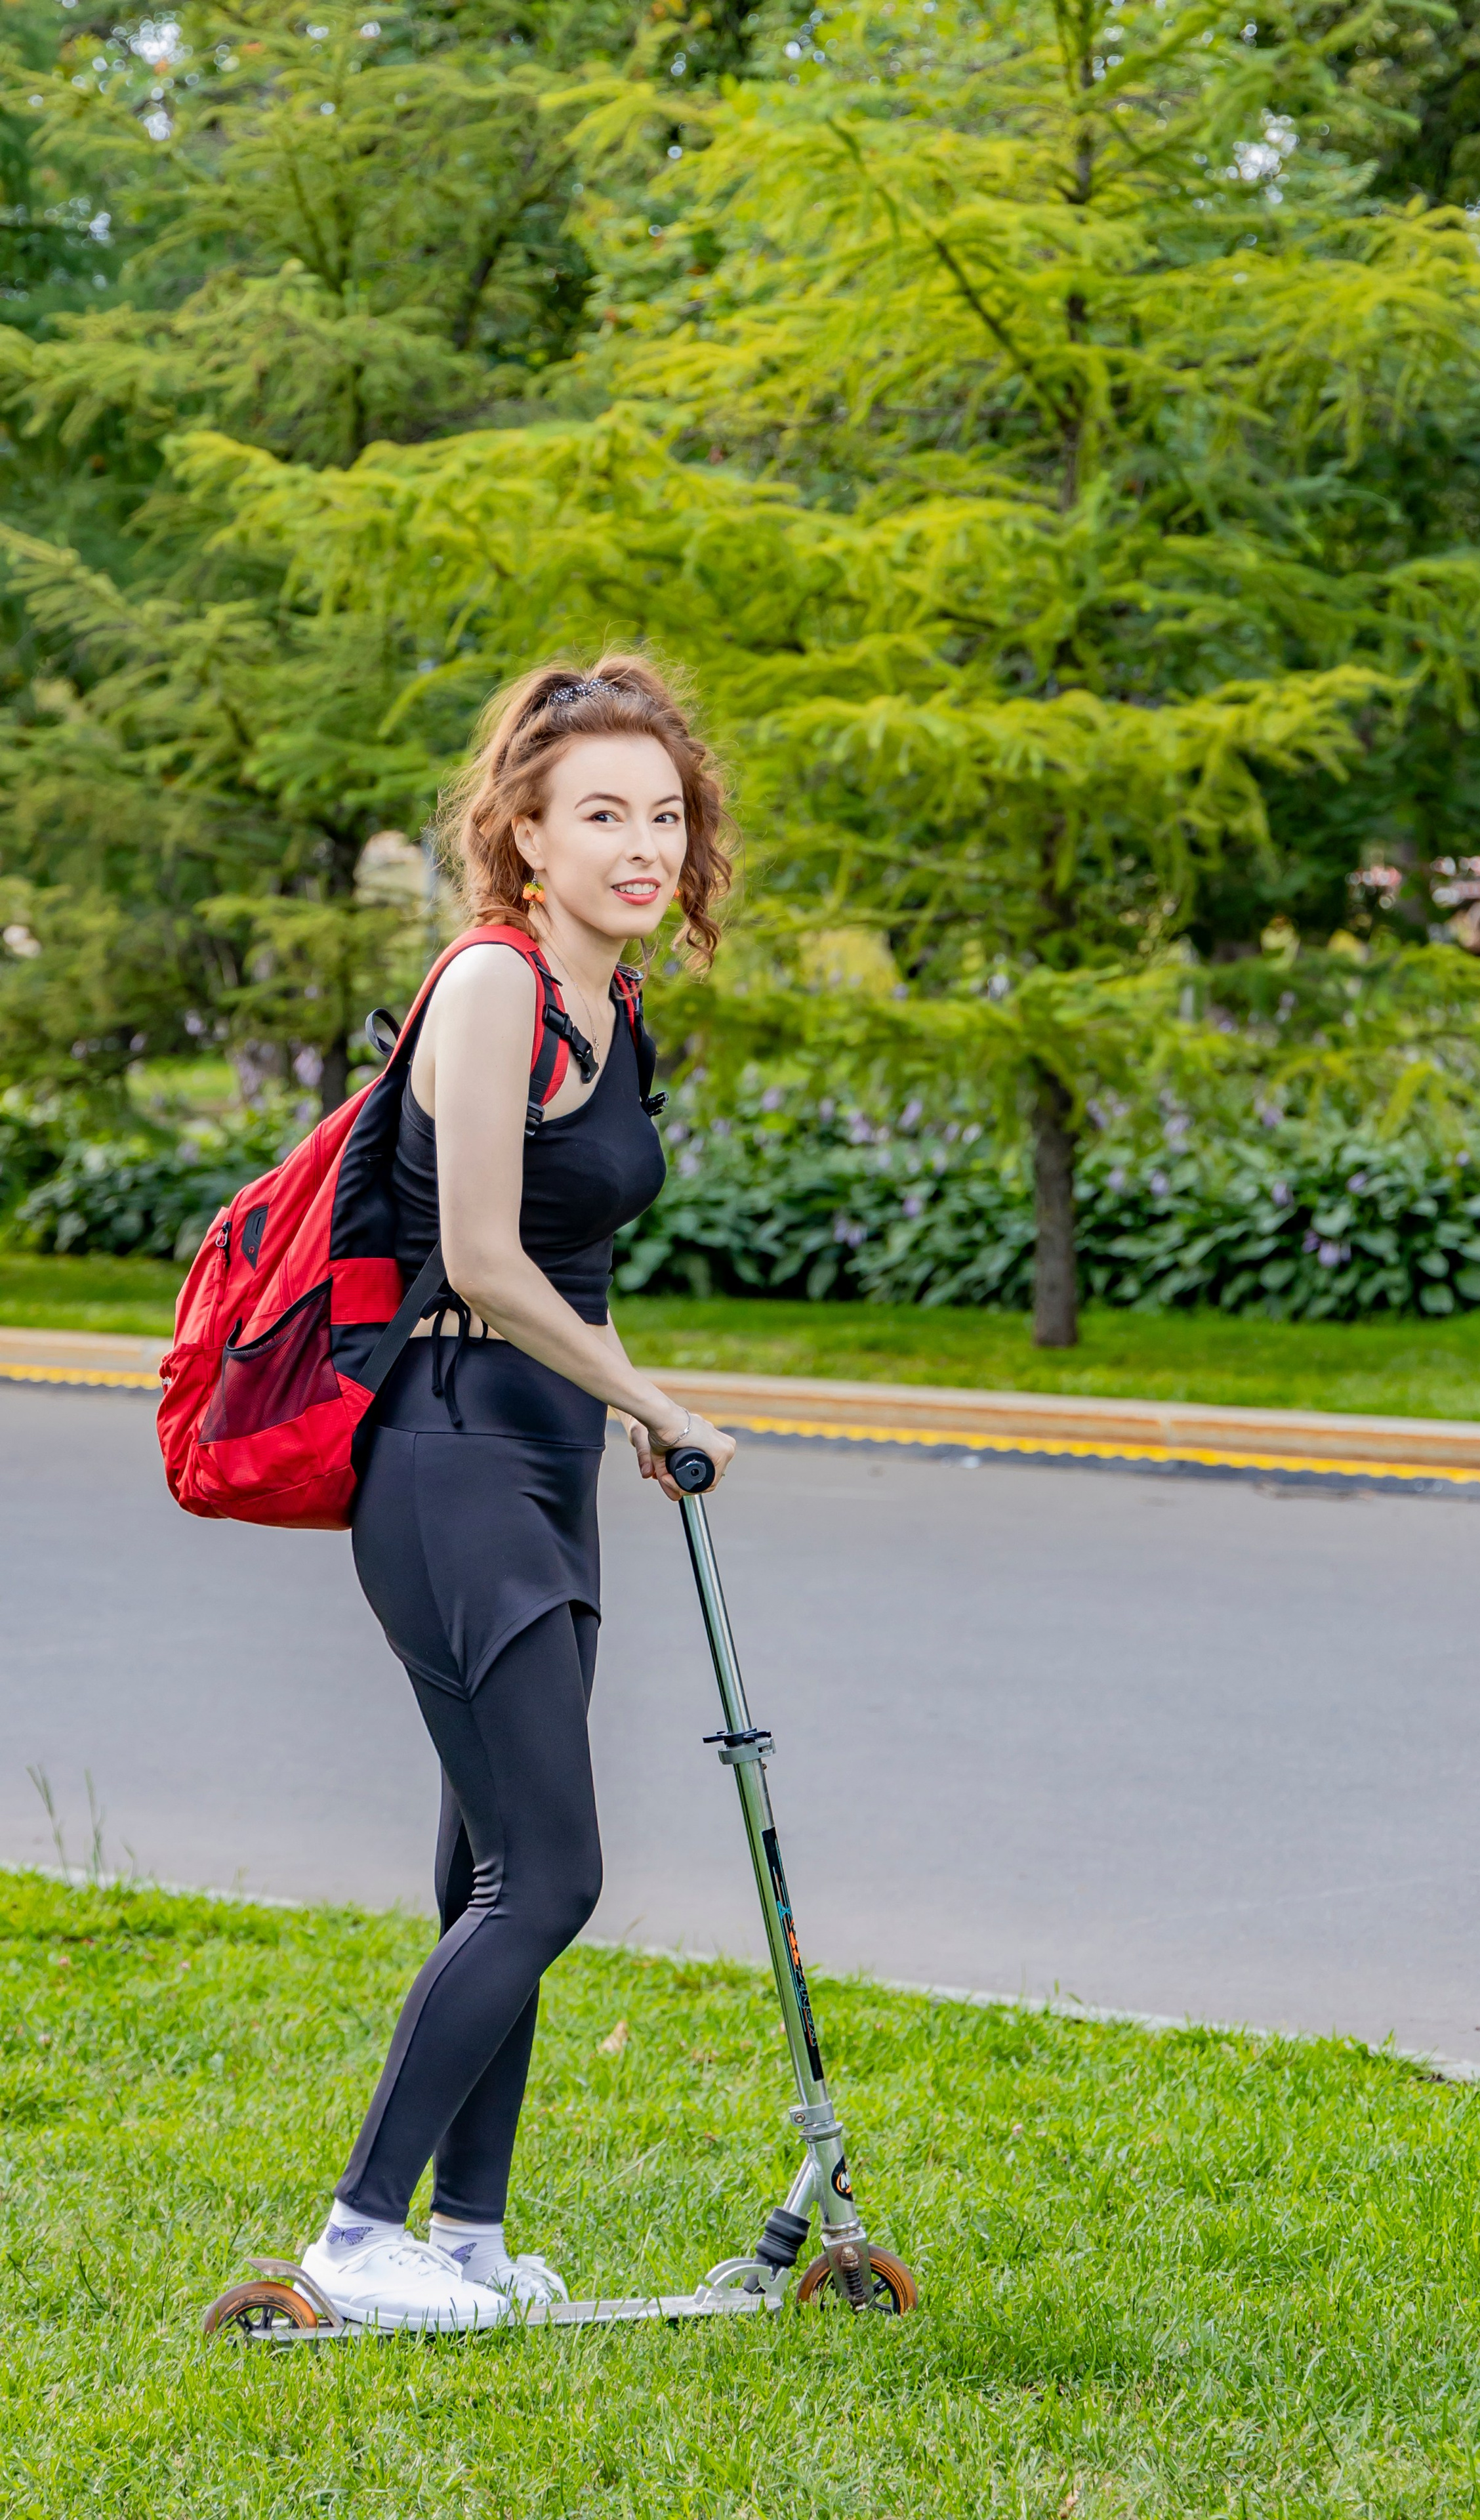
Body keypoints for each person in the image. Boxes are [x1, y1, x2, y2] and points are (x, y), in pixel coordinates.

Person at [298, 655, 737, 2331]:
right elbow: (475, 1249)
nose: (643, 845)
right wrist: (650, 1391)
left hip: (542, 1455)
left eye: (665, 814)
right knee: (547, 1877)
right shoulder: (493, 986)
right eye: (602, 815)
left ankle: (463, 2239)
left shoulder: (612, 1000)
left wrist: (615, 1402)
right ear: (524, 837)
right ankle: (356, 2233)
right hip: (449, 1448)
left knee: (488, 1865)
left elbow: (568, 1252)